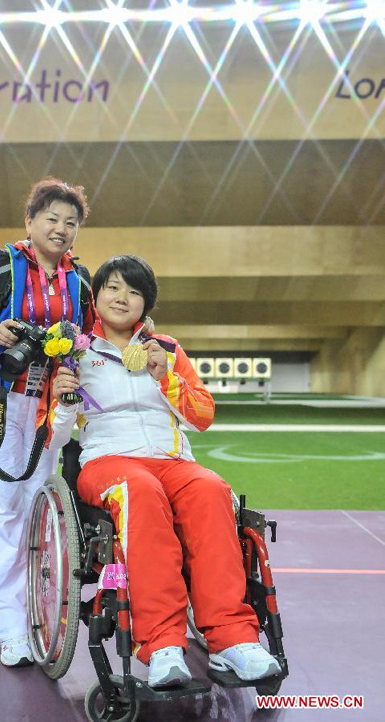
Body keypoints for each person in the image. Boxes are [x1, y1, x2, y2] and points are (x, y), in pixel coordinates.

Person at [47, 255, 281, 688]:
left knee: (212, 490)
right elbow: (56, 438)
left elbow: (202, 416)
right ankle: (161, 644)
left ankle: (232, 640)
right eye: (113, 287)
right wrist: (63, 401)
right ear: (96, 296)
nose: (123, 297)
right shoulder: (76, 353)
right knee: (140, 489)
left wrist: (164, 377)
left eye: (134, 291)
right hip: (108, 462)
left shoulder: (168, 349)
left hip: (173, 463)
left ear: (145, 304)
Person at [0, 177, 94, 667]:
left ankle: (38, 615)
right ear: (29, 221)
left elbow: (92, 335)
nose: (61, 228)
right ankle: (11, 630)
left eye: (71, 222)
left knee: (39, 504)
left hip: (51, 401)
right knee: (3, 510)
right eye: (51, 218)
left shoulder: (80, 280)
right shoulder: (0, 267)